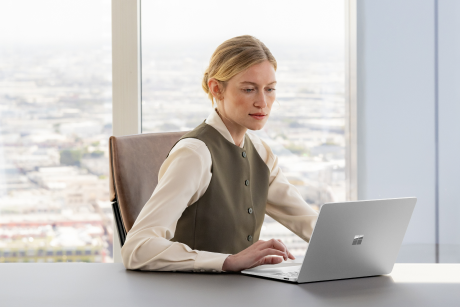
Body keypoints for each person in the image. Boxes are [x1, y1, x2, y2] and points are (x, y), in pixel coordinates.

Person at [121, 35, 318, 273]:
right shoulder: (195, 154)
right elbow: (136, 248)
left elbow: (307, 221)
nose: (262, 102)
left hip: (242, 293)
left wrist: (357, 247)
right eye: (249, 89)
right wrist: (228, 261)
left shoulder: (260, 151)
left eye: (270, 89)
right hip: (193, 294)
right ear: (217, 89)